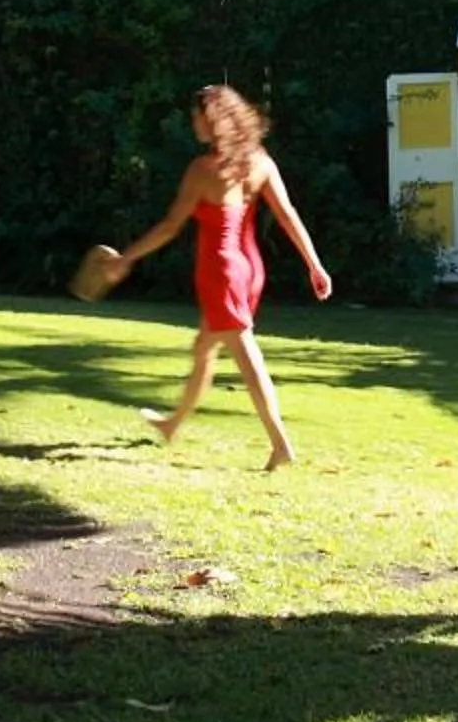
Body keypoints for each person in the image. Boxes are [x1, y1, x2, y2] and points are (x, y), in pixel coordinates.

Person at [105, 84, 331, 470]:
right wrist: (314, 263)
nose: (192, 122)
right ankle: (172, 423)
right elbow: (288, 214)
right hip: (249, 269)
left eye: (196, 116)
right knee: (204, 348)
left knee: (247, 356)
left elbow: (170, 226)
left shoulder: (202, 170)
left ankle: (281, 445)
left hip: (221, 270)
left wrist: (127, 257)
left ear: (212, 121)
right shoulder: (260, 161)